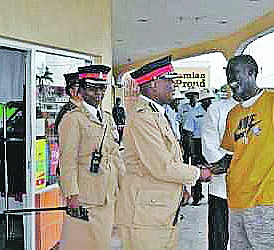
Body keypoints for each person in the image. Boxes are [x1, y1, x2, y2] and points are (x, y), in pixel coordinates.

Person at [117, 56, 212, 250]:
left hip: (157, 211)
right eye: (169, 80)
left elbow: (170, 157)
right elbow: (162, 166)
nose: (174, 85)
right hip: (144, 215)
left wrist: (182, 187)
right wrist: (198, 174)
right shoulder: (143, 117)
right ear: (153, 84)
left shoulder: (155, 113)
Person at [220, 55, 274, 249]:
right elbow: (232, 157)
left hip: (265, 201)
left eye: (234, 73)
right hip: (236, 202)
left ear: (252, 73)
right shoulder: (233, 114)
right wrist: (205, 170)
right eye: (227, 74)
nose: (229, 79)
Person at [58, 65, 120, 250]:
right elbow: (67, 160)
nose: (98, 94)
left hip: (107, 194)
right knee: (81, 244)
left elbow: (115, 155)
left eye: (102, 88)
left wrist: (123, 185)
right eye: (93, 88)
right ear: (82, 90)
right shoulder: (73, 119)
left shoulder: (107, 118)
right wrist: (72, 195)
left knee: (101, 244)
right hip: (85, 196)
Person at [201, 84, 239, 250]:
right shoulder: (217, 108)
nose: (237, 81)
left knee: (249, 238)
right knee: (218, 238)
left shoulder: (262, 108)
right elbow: (208, 144)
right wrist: (229, 164)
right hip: (221, 187)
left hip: (254, 189)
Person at [183, 89, 215, 205]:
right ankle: (196, 197)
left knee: (214, 170)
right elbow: (189, 132)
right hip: (198, 143)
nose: (208, 102)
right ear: (201, 101)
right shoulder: (194, 112)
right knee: (197, 171)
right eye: (205, 100)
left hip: (213, 143)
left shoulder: (216, 110)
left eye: (209, 100)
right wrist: (191, 150)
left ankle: (214, 197)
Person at [178, 87, 200, 164]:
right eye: (190, 95)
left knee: (197, 156)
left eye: (195, 95)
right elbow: (179, 121)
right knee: (186, 154)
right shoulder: (183, 107)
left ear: (198, 96)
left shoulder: (201, 107)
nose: (193, 97)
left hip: (198, 136)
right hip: (186, 134)